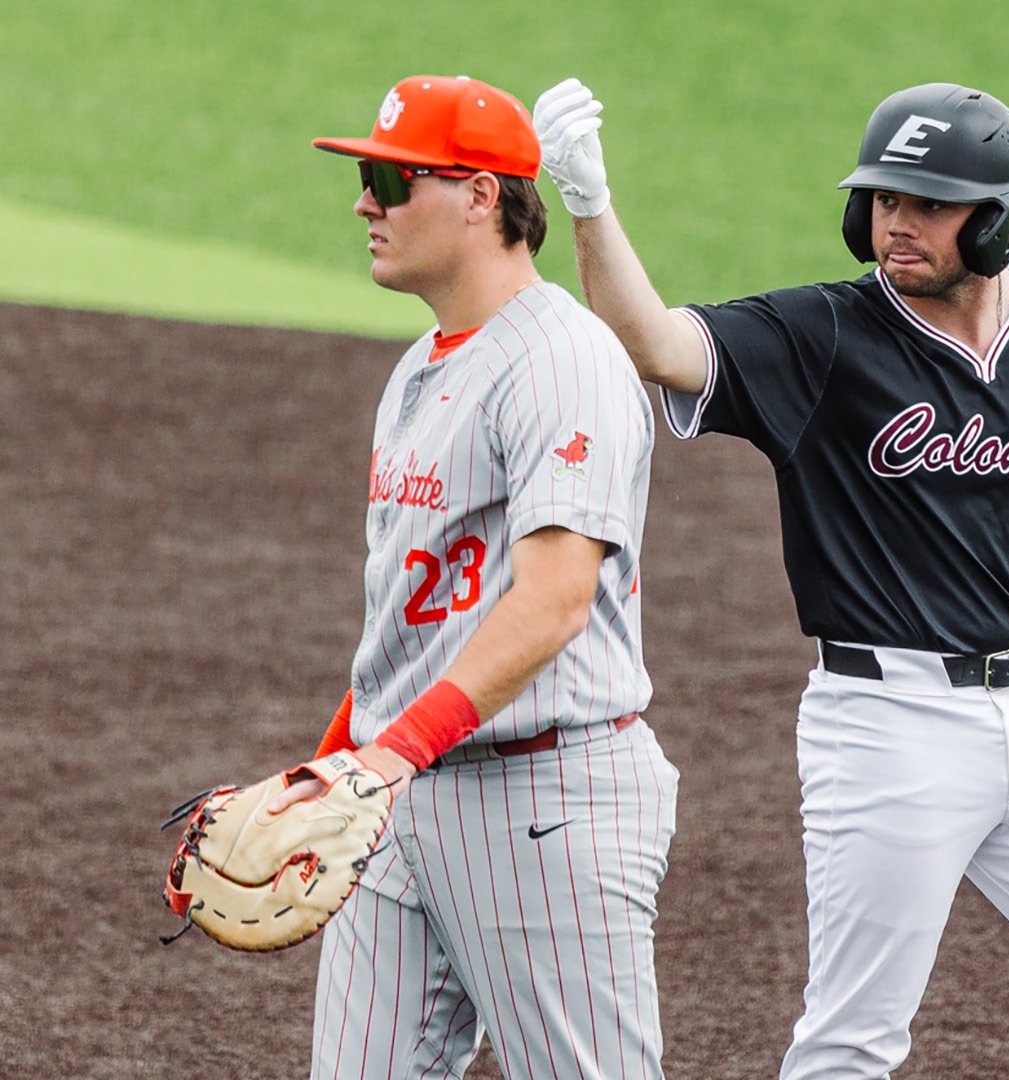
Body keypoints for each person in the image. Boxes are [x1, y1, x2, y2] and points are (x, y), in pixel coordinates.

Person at [534, 78, 1009, 1078]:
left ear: (999, 219)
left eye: (929, 204)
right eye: (884, 200)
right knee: (851, 1043)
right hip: (889, 733)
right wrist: (587, 200)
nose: (897, 224)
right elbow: (654, 344)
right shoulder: (821, 338)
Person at [281, 74, 677, 1079]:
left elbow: (552, 601)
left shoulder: (563, 362)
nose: (365, 203)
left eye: (388, 178)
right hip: (403, 793)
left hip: (542, 795)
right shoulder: (420, 366)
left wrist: (388, 756)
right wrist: (330, 765)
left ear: (481, 195)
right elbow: (415, 622)